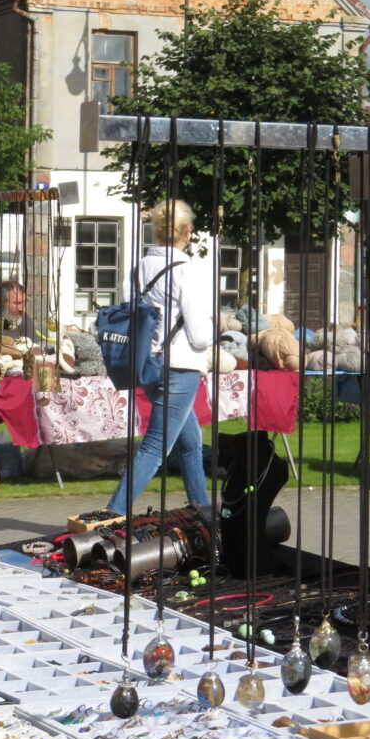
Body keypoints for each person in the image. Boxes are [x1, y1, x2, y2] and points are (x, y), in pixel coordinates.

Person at [105, 198, 214, 517]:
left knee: (191, 443)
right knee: (155, 448)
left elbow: (130, 316)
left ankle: (202, 511)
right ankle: (110, 515)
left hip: (148, 364)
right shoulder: (186, 271)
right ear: (187, 231)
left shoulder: (138, 269)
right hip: (180, 367)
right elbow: (199, 335)